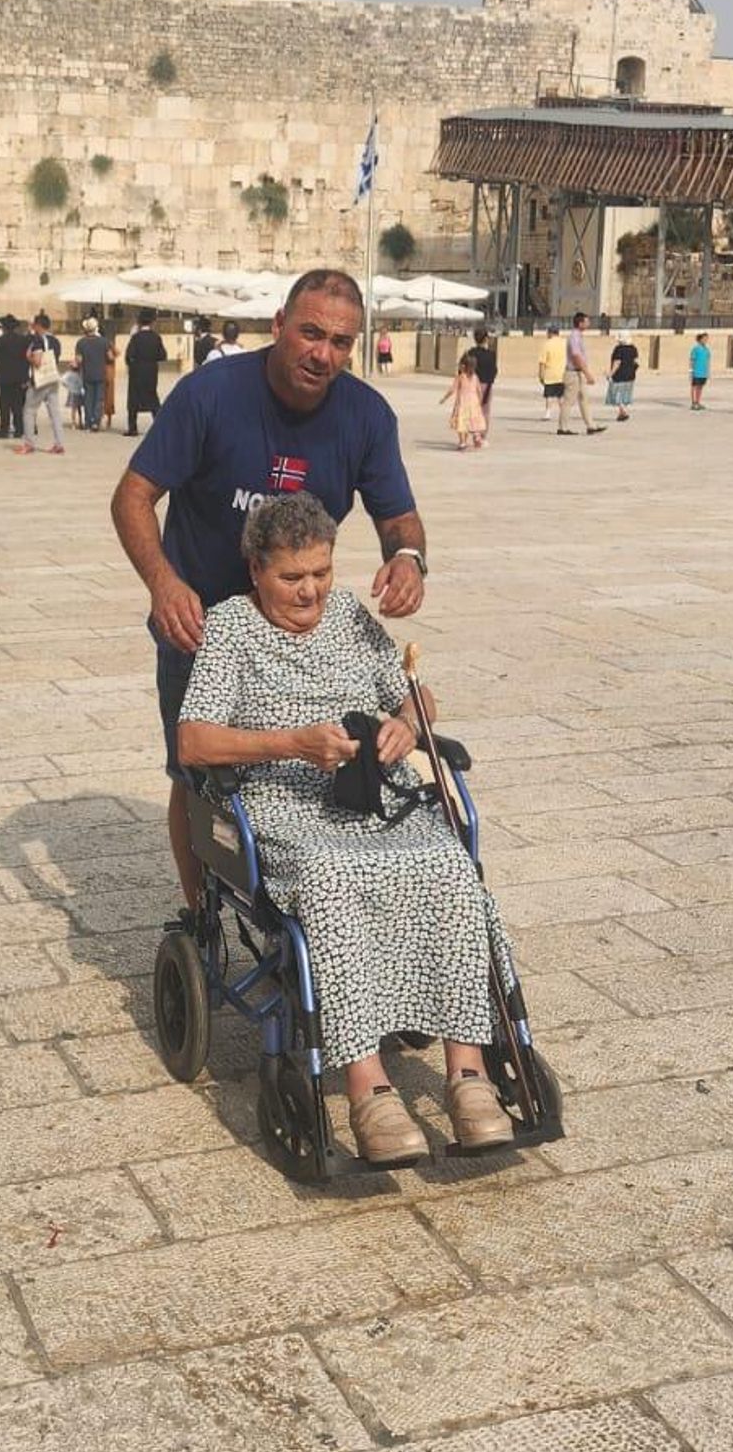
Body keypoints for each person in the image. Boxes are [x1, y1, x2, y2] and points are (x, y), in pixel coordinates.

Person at [177, 493, 512, 1160]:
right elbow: (191, 742)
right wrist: (292, 744)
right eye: (291, 578)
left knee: (447, 863)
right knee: (334, 876)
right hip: (282, 805)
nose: (310, 592)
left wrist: (407, 725)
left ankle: (468, 1072)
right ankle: (369, 1090)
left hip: (372, 796)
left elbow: (415, 694)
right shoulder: (231, 629)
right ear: (256, 571)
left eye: (322, 574)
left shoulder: (351, 618)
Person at [111, 267, 427, 912]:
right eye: (310, 333)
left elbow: (398, 516)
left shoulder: (366, 415)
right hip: (200, 619)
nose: (323, 354)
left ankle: (301, 894)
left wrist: (410, 557)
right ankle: (199, 913)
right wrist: (164, 584)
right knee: (194, 770)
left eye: (341, 342)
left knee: (299, 762)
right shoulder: (211, 395)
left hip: (297, 623)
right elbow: (133, 496)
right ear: (278, 326)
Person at [18, 312, 66, 454]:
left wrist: (29, 357)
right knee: (55, 413)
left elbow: (38, 362)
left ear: (38, 326)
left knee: (29, 411)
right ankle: (59, 443)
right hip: (53, 378)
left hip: (40, 380)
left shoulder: (38, 341)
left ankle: (29, 443)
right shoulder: (56, 341)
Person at [559, 312, 605, 436]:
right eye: (586, 321)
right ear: (580, 323)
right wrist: (587, 373)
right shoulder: (574, 336)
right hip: (573, 373)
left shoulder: (579, 336)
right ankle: (562, 428)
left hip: (579, 373)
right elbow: (576, 356)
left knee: (584, 399)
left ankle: (591, 426)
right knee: (569, 401)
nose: (588, 323)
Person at [125, 312, 167, 435]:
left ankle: (133, 429)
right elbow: (163, 355)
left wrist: (132, 365)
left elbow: (128, 356)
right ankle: (160, 426)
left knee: (133, 399)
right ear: (152, 323)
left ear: (139, 323)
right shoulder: (156, 337)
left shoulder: (135, 338)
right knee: (152, 397)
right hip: (151, 371)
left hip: (137, 371)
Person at [0, 315, 32, 441]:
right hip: (20, 377)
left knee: (4, 405)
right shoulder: (24, 340)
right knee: (18, 405)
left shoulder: (0, 340)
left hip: (4, 377)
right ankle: (19, 429)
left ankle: (4, 429)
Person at [440, 349, 486, 450]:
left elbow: (453, 389)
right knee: (472, 421)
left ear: (464, 366)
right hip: (473, 403)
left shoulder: (461, 377)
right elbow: (479, 390)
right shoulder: (475, 377)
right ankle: (476, 436)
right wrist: (480, 401)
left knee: (462, 424)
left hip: (462, 403)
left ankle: (462, 442)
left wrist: (444, 398)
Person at [76, 317, 108, 431]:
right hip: (100, 373)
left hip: (87, 373)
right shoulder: (104, 341)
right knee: (99, 398)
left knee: (88, 398)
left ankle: (88, 421)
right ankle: (96, 421)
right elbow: (110, 356)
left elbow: (78, 360)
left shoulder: (81, 342)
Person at [466, 325, 497, 428]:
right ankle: (482, 435)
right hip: (486, 384)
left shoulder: (471, 353)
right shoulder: (491, 355)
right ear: (486, 339)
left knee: (473, 410)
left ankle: (474, 433)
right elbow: (494, 371)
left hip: (472, 384)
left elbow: (463, 369)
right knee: (485, 411)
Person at [606, 334, 640, 422]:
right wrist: (632, 371)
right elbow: (636, 362)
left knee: (615, 393)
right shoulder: (633, 348)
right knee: (625, 393)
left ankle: (623, 411)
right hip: (630, 375)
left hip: (619, 375)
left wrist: (610, 373)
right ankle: (621, 412)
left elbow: (617, 362)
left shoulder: (618, 349)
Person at [538, 325, 567, 423]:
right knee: (561, 395)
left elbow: (542, 361)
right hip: (562, 373)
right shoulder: (564, 343)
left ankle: (548, 413)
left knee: (549, 395)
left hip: (550, 373)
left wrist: (541, 375)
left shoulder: (547, 344)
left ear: (550, 333)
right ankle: (563, 413)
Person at [689, 332, 711, 410]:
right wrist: (691, 371)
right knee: (694, 387)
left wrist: (708, 372)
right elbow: (692, 360)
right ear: (700, 339)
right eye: (704, 339)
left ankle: (698, 402)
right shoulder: (695, 349)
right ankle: (694, 403)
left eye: (707, 339)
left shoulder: (707, 350)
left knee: (700, 388)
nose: (706, 340)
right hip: (696, 372)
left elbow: (708, 361)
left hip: (703, 372)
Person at [102, 329, 119, 430]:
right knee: (108, 396)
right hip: (108, 372)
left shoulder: (107, 344)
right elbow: (117, 353)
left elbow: (115, 354)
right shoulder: (108, 343)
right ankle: (108, 419)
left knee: (104, 396)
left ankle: (105, 418)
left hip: (105, 371)